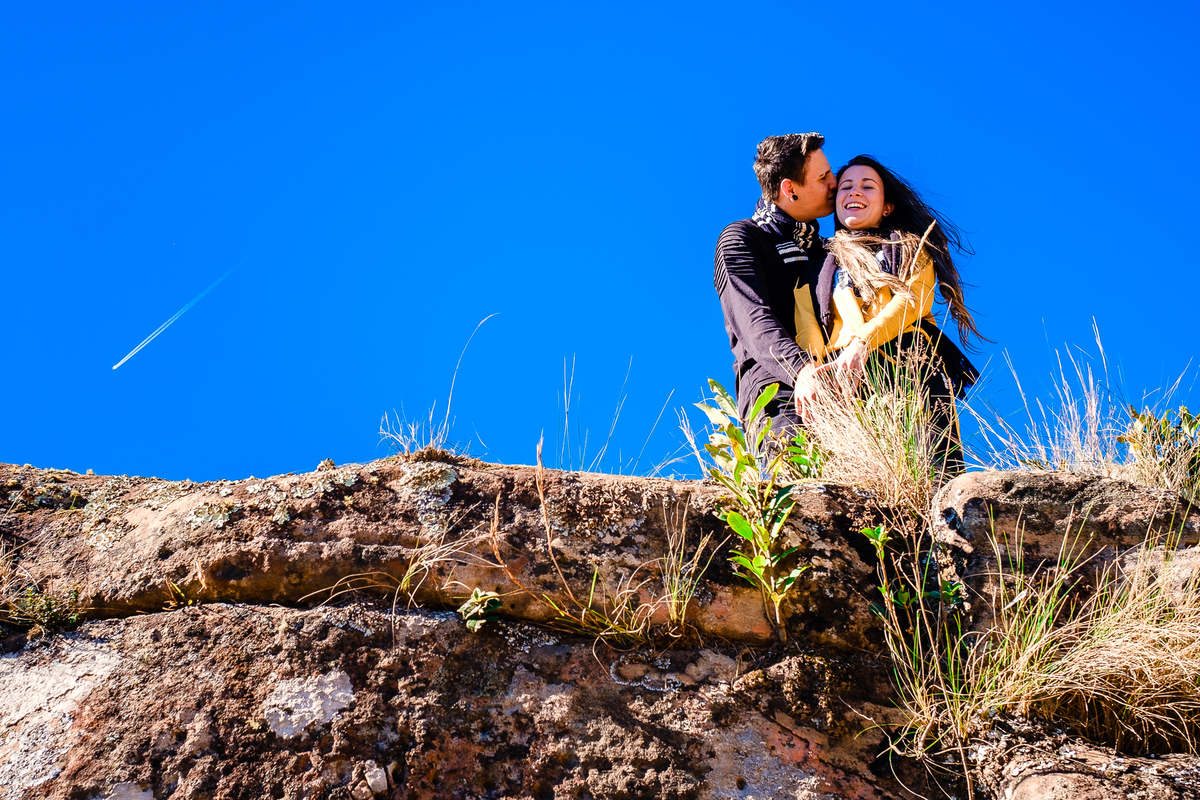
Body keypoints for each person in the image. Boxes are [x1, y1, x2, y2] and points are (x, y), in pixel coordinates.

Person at [810, 155, 983, 473]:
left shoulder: (907, 247)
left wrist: (863, 342)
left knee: (934, 475)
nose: (855, 192)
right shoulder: (821, 265)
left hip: (910, 368)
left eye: (867, 186)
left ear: (887, 206)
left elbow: (913, 301)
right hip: (845, 382)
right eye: (846, 187)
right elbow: (809, 324)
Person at [713, 133, 837, 434]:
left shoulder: (828, 249)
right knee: (795, 480)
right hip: (776, 394)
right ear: (789, 189)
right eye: (823, 177)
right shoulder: (743, 238)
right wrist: (801, 370)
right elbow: (752, 318)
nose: (835, 182)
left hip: (836, 389)